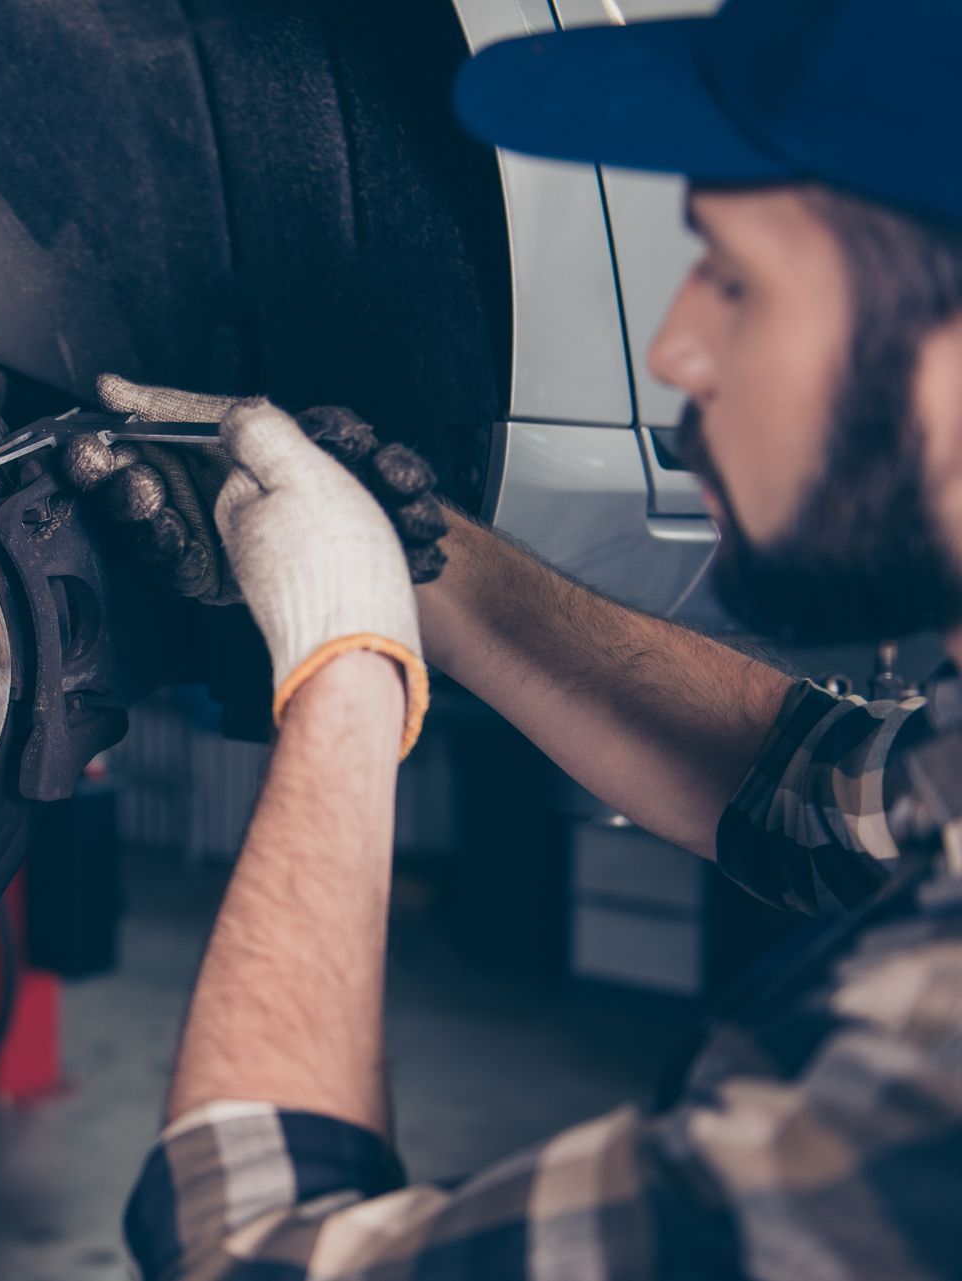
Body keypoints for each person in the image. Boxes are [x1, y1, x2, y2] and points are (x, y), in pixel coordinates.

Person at [85, 0, 962, 1275]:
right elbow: (814, 794)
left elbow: (252, 1252)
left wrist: (346, 672)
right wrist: (420, 560)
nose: (678, 346)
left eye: (735, 276)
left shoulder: (923, 1070)